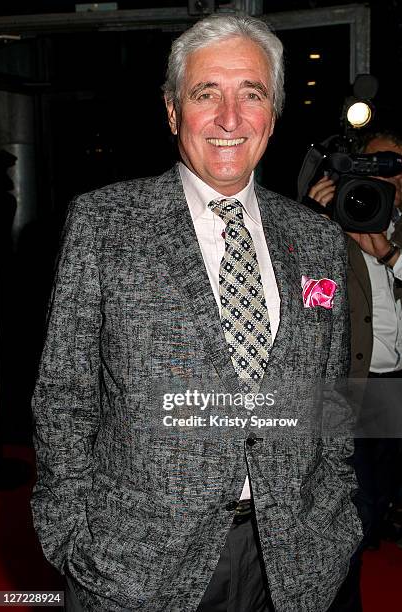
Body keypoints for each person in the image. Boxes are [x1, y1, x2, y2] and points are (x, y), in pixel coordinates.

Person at [30, 15, 363, 612]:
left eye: (251, 95)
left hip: (292, 559)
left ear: (273, 113)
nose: (229, 119)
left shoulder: (316, 240)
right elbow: (64, 395)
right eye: (206, 93)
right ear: (171, 110)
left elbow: (331, 397)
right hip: (137, 564)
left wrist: (337, 518)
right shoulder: (104, 225)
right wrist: (70, 536)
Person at [308, 127, 402, 610]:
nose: (389, 176)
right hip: (351, 387)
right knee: (353, 509)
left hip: (394, 389)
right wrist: (312, 218)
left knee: (379, 500)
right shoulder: (333, 219)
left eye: (397, 166)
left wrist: (387, 252)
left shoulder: (401, 229)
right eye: (378, 164)